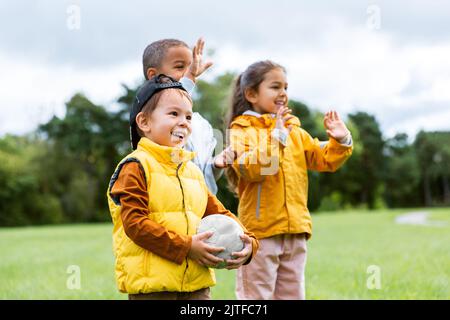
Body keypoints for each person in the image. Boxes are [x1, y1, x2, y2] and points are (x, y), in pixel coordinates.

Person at [106, 75, 258, 300]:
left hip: (196, 286)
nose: (185, 122)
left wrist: (249, 242)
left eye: (188, 116)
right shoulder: (135, 166)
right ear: (144, 122)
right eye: (174, 114)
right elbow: (135, 224)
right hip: (154, 289)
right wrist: (187, 246)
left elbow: (219, 213)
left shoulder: (192, 171)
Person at [226, 60, 353, 300]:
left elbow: (323, 158)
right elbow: (251, 168)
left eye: (286, 87)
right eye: (275, 87)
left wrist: (341, 139)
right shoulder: (241, 130)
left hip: (295, 231)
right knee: (256, 298)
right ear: (251, 94)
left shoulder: (294, 131)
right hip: (259, 235)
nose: (283, 93)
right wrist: (277, 137)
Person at [142, 38, 235, 195]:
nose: (189, 71)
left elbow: (201, 178)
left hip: (198, 209)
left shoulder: (198, 123)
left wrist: (215, 166)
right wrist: (189, 79)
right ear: (153, 76)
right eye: (180, 67)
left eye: (191, 67)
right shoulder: (152, 116)